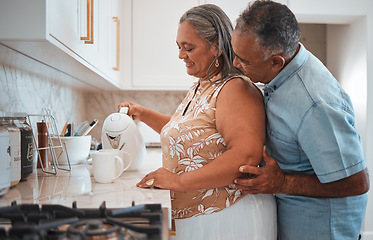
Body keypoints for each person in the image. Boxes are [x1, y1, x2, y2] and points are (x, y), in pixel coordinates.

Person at [118, 4, 277, 240]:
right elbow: (188, 136)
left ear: (217, 46)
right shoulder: (202, 86)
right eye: (179, 47)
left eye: (189, 47)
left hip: (229, 215)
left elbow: (245, 156)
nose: (181, 55)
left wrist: (178, 181)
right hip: (202, 214)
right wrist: (142, 113)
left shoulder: (235, 89)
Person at [231, 1, 370, 239]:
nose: (236, 64)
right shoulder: (284, 70)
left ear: (276, 62)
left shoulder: (316, 104)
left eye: (244, 60)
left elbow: (357, 183)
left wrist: (282, 183)